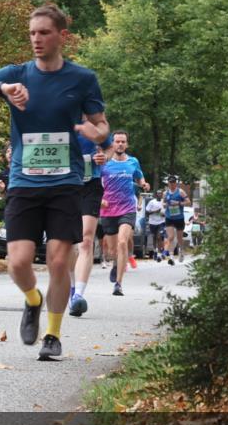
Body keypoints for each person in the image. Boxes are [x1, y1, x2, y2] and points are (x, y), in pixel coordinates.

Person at [0, 3, 109, 361]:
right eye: (32, 33)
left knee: (59, 262)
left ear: (62, 36)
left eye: (44, 32)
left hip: (66, 181)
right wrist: (2, 90)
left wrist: (97, 132)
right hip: (24, 181)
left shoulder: (82, 78)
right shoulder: (17, 75)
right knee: (18, 261)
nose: (36, 39)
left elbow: (102, 125)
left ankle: (53, 335)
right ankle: (32, 300)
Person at [67, 125, 111, 317]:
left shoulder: (95, 123)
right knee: (68, 242)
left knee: (86, 240)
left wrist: (104, 157)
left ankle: (78, 295)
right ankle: (72, 286)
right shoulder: (61, 118)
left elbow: (108, 148)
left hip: (91, 185)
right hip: (65, 184)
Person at [99, 131, 149, 296]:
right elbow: (96, 184)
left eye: (123, 142)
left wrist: (143, 184)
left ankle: (118, 284)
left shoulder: (133, 161)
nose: (120, 144)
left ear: (126, 144)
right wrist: (100, 199)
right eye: (117, 141)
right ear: (112, 144)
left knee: (122, 243)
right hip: (108, 209)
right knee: (112, 250)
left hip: (127, 208)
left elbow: (139, 177)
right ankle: (115, 264)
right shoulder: (104, 163)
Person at [162, 176, 190, 264]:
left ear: (176, 183)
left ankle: (181, 251)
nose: (172, 184)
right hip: (169, 217)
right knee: (170, 237)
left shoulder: (180, 192)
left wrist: (178, 203)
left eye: (173, 182)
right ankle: (167, 254)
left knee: (179, 238)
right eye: (170, 183)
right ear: (168, 183)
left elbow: (188, 202)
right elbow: (163, 203)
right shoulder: (165, 193)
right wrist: (165, 205)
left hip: (179, 218)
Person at [145, 190, 167, 261]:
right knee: (154, 237)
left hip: (161, 222)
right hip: (152, 222)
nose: (160, 195)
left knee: (159, 237)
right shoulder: (152, 202)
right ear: (156, 195)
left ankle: (160, 254)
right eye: (158, 193)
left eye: (161, 193)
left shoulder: (164, 202)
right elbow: (147, 212)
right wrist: (156, 211)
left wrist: (165, 214)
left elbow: (168, 212)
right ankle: (155, 251)